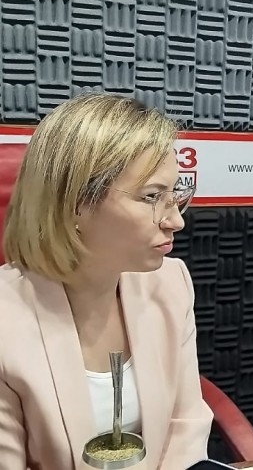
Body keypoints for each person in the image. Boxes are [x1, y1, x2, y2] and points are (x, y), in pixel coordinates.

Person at [0, 94, 213, 469]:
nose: (175, 221)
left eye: (175, 195)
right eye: (152, 197)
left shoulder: (171, 284)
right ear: (74, 203)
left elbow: (185, 426)